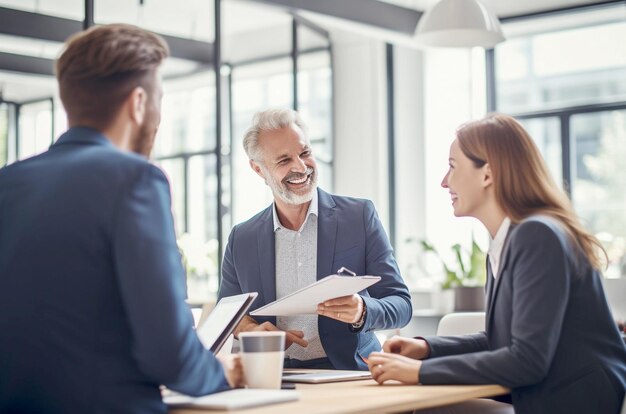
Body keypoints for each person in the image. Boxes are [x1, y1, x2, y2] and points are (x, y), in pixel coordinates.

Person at [0, 24, 241, 414]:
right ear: (139, 102)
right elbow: (169, 355)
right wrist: (221, 372)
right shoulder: (135, 180)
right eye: (160, 99)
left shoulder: (7, 182)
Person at [366, 113, 626, 414]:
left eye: (452, 166)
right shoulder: (508, 239)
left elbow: (526, 360)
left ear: (487, 174)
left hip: (576, 400)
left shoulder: (537, 235)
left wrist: (418, 372)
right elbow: (503, 339)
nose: (443, 181)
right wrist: (427, 349)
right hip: (546, 393)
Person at [219, 108, 412, 370]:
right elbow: (228, 314)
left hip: (350, 373)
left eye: (305, 153)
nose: (300, 167)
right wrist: (250, 330)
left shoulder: (358, 217)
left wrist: (363, 310)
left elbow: (400, 304)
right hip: (277, 377)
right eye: (284, 160)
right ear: (259, 170)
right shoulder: (241, 238)